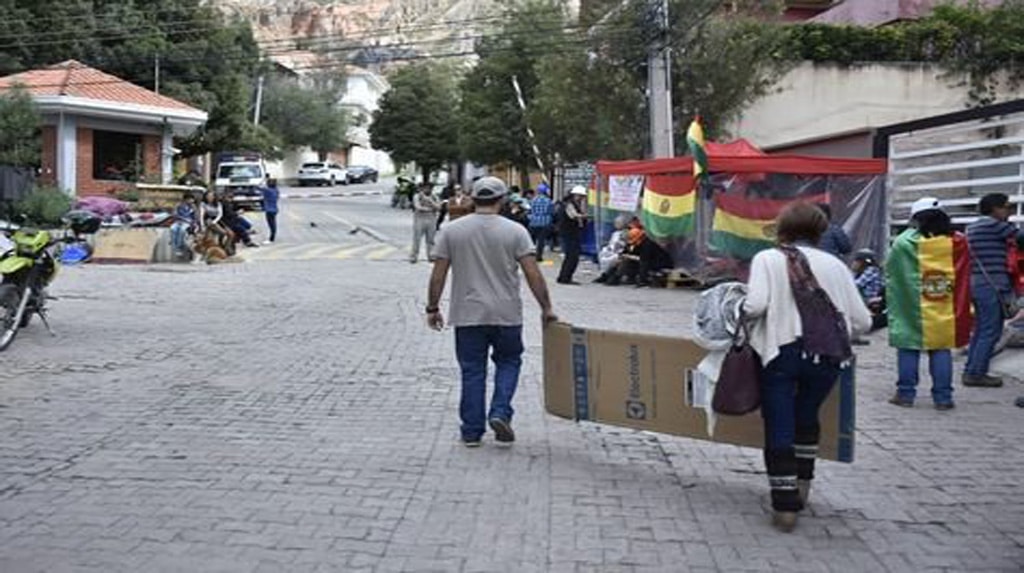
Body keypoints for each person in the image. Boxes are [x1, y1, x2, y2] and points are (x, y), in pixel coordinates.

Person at [743, 202, 871, 532]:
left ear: (783, 227)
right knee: (807, 417)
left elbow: (755, 305)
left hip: (782, 352)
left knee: (779, 422)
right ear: (819, 230)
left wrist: (737, 311)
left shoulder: (768, 259)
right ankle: (803, 487)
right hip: (827, 357)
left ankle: (785, 506)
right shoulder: (837, 266)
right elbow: (862, 320)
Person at [425, 176, 558, 447]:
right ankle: (499, 412)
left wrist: (433, 307)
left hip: (467, 314)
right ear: (502, 199)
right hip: (507, 313)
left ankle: (472, 432)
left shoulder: (452, 231)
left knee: (472, 370)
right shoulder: (516, 231)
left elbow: (438, 274)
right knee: (509, 362)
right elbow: (533, 274)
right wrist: (546, 308)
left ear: (473, 199)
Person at [886, 197, 966, 410]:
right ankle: (943, 398)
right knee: (941, 349)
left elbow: (892, 272)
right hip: (943, 305)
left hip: (910, 305)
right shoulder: (957, 242)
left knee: (908, 347)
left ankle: (905, 394)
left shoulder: (904, 242)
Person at [963, 193, 1024, 387]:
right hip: (992, 284)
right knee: (991, 330)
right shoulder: (994, 225)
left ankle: (972, 369)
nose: (1010, 212)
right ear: (994, 208)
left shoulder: (973, 226)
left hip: (977, 283)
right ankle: (976, 373)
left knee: (982, 329)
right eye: (1007, 207)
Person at [556, 186, 588, 285]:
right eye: (580, 196)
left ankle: (564, 276)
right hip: (569, 232)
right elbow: (573, 215)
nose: (581, 198)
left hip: (571, 232)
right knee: (572, 256)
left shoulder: (573, 204)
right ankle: (565, 277)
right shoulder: (569, 204)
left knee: (571, 256)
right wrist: (584, 216)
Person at [851, 248, 887, 332]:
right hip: (864, 298)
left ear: (863, 262)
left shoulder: (871, 270)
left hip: (871, 299)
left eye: (857, 260)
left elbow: (856, 285)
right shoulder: (860, 271)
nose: (855, 262)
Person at [410, 184, 440, 263]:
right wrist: (430, 209)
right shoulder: (417, 196)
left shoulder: (434, 197)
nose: (427, 190)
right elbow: (418, 207)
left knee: (431, 239)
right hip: (419, 219)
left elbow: (438, 207)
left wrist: (430, 201)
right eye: (425, 188)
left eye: (429, 188)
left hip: (432, 219)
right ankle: (414, 256)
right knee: (417, 239)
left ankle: (431, 256)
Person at [529, 184, 554, 261]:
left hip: (533, 221)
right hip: (545, 222)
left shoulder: (533, 200)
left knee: (532, 240)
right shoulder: (548, 201)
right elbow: (551, 211)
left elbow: (531, 210)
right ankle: (538, 256)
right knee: (541, 240)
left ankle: (531, 255)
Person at [170, 192, 197, 257]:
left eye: (192, 199)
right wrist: (179, 219)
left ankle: (179, 247)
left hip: (188, 222)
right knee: (173, 229)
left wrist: (193, 222)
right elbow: (174, 214)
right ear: (185, 199)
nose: (191, 201)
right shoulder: (178, 205)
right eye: (190, 199)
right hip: (178, 221)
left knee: (182, 230)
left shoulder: (193, 207)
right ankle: (175, 247)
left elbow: (195, 217)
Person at [261, 177, 280, 244]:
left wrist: (263, 181)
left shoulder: (267, 190)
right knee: (273, 224)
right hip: (275, 209)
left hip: (269, 210)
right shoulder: (276, 190)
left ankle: (271, 238)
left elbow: (258, 187)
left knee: (271, 225)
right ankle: (272, 237)